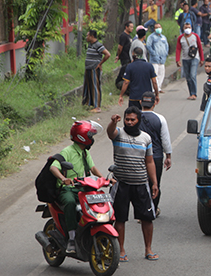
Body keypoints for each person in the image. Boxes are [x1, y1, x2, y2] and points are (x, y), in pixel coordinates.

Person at [108, 108, 159, 262]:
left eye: (132, 120)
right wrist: (112, 122)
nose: (129, 122)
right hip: (121, 184)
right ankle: (121, 250)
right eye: (127, 119)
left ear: (139, 120)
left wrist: (154, 182)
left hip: (141, 184)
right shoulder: (118, 134)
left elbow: (149, 161)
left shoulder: (146, 138)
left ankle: (148, 249)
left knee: (147, 218)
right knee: (120, 218)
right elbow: (110, 133)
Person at [50, 120, 105, 253]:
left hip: (82, 187)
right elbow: (53, 167)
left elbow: (92, 168)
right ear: (82, 137)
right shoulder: (67, 151)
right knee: (69, 202)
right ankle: (72, 238)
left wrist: (104, 179)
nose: (91, 139)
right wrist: (64, 179)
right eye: (90, 136)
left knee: (100, 199)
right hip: (67, 189)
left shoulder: (85, 152)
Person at [139, 91, 172, 216]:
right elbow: (165, 140)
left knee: (141, 184)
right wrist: (168, 156)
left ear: (140, 102)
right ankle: (153, 209)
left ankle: (142, 210)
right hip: (156, 157)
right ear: (155, 102)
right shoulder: (160, 119)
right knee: (155, 183)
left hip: (139, 156)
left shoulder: (134, 118)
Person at [82, 30, 110, 113]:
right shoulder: (90, 45)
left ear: (92, 36)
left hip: (94, 68)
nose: (86, 37)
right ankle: (88, 103)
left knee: (95, 86)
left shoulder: (98, 45)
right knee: (88, 85)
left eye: (87, 35)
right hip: (88, 68)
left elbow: (107, 54)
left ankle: (97, 106)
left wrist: (100, 64)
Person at [176, 22, 205, 100]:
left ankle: (194, 93)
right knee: (188, 77)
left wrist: (202, 59)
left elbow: (200, 47)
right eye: (186, 27)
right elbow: (178, 49)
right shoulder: (180, 38)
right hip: (185, 59)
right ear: (183, 28)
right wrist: (177, 60)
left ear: (191, 28)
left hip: (194, 58)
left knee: (192, 75)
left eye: (189, 27)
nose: (187, 29)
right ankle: (191, 92)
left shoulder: (195, 36)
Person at [146, 23, 169, 93]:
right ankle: (153, 89)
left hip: (162, 59)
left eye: (159, 27)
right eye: (156, 28)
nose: (158, 29)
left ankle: (158, 88)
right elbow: (148, 46)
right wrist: (154, 54)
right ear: (154, 29)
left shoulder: (163, 37)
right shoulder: (151, 37)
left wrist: (166, 53)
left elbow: (166, 46)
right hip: (154, 59)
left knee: (161, 73)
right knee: (154, 74)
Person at [115, 21, 134, 90]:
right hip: (125, 57)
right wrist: (118, 55)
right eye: (130, 27)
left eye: (132, 27)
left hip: (129, 57)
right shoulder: (123, 36)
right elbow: (120, 47)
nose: (132, 29)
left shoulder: (129, 36)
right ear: (126, 27)